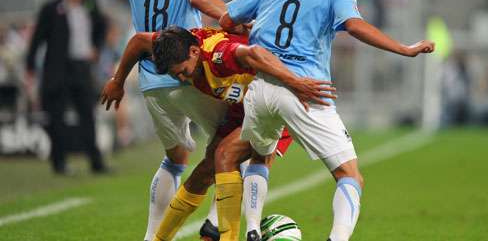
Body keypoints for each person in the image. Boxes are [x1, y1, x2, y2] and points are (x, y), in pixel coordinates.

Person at [219, 0, 435, 240]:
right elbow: (355, 26)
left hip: (260, 89)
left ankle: (254, 230)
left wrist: (256, 25)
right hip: (305, 91)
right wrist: (403, 48)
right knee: (349, 175)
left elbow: (227, 19)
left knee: (260, 157)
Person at [28, 0, 231, 240]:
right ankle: (214, 222)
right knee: (236, 139)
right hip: (189, 75)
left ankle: (152, 237)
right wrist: (233, 18)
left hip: (153, 82)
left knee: (174, 161)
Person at [109, 26, 333, 241]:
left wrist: (296, 83)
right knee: (205, 170)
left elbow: (255, 53)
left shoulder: (218, 55)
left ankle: (229, 236)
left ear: (194, 52)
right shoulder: (175, 43)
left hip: (273, 101)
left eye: (183, 72)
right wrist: (117, 81)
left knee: (224, 156)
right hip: (242, 106)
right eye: (175, 75)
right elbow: (140, 40)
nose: (182, 79)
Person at [25, 0, 108, 175]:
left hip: (81, 67)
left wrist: (96, 48)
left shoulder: (90, 4)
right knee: (56, 117)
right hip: (58, 69)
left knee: (87, 115)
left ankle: (96, 162)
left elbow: (102, 25)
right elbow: (37, 39)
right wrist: (30, 67)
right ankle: (59, 163)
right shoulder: (52, 8)